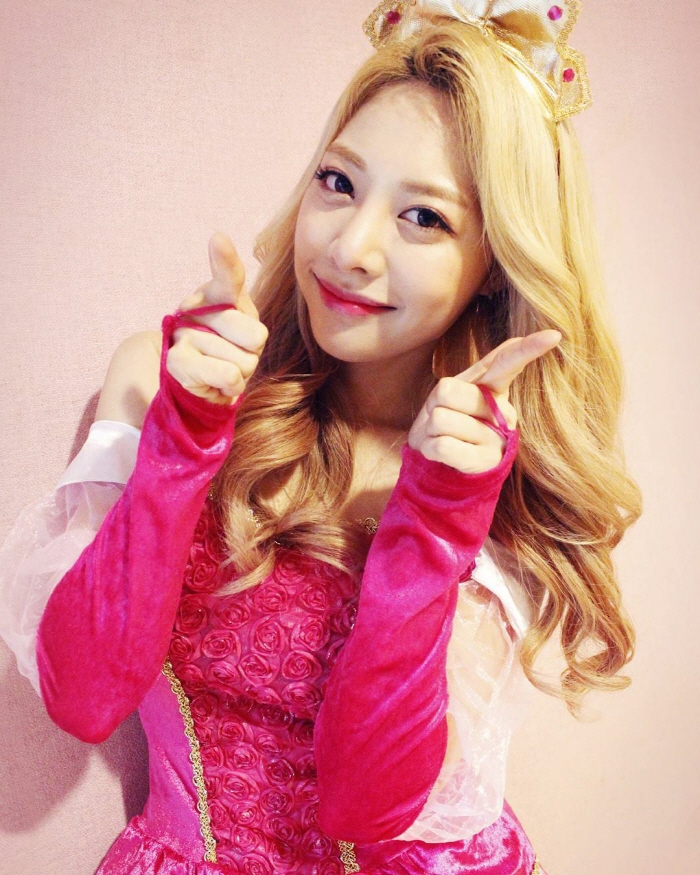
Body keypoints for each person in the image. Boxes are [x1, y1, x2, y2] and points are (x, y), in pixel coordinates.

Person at [0, 2, 641, 873]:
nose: (351, 247)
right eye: (338, 182)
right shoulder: (161, 373)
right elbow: (83, 696)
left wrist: (435, 518)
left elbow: (364, 803)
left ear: (495, 265)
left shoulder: (493, 474)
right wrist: (184, 439)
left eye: (424, 218)